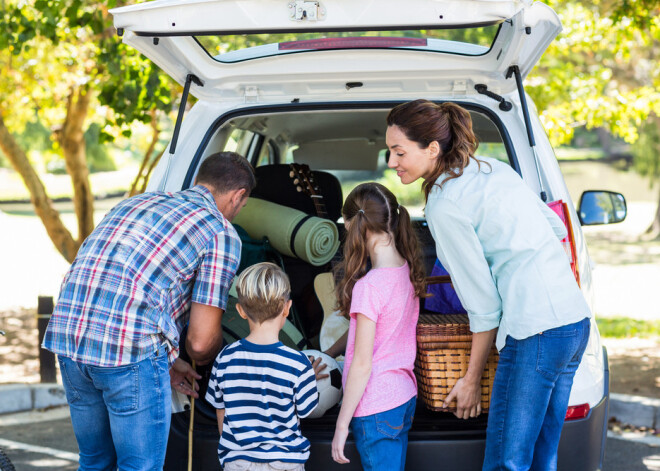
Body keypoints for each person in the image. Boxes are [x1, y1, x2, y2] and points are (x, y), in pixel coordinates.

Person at [385, 99, 592, 470]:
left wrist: (469, 379)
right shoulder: (492, 169)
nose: (391, 162)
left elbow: (483, 306)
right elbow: (557, 229)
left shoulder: (444, 203)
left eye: (399, 152)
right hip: (574, 322)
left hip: (536, 332)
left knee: (506, 462)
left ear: (432, 149)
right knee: (542, 458)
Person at [42, 151, 256, 470]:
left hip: (67, 338)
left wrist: (171, 361)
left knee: (95, 459)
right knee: (138, 466)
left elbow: (126, 287)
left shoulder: (137, 202)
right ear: (239, 196)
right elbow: (199, 341)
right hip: (127, 354)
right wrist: (222, 356)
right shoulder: (220, 231)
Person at [331, 182, 426, 470]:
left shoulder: (369, 286)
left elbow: (362, 363)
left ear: (353, 224)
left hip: (375, 407)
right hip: (403, 395)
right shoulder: (405, 269)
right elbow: (369, 333)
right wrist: (329, 350)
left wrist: (341, 424)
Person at [206, 262, 319, 471]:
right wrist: (309, 377)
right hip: (285, 462)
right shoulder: (298, 363)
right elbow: (306, 410)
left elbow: (220, 410)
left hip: (239, 463)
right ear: (287, 308)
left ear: (240, 310)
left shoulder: (225, 358)